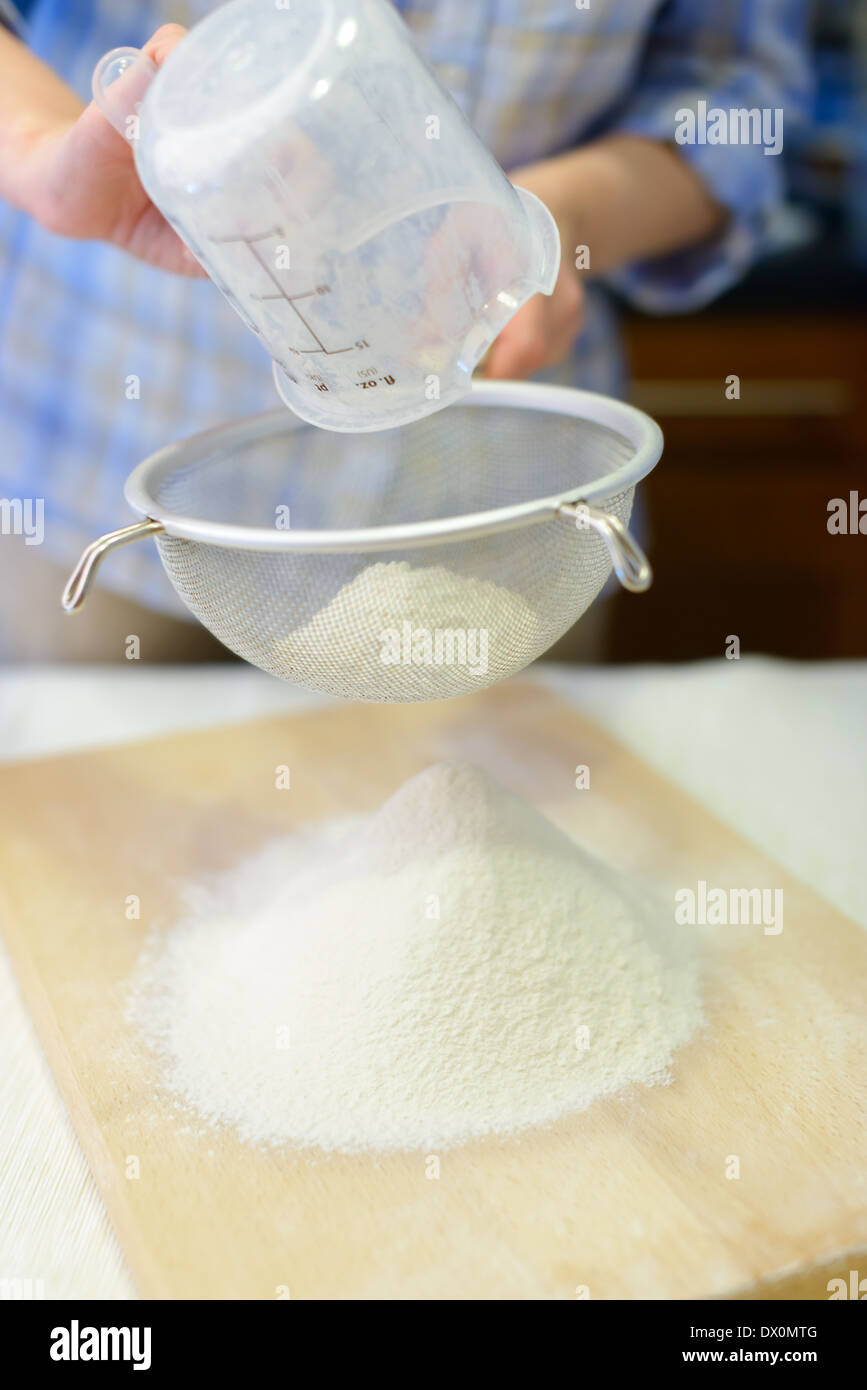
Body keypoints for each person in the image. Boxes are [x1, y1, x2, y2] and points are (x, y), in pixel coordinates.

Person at [0, 0, 810, 661]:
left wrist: (556, 212)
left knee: (479, 838)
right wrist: (39, 157)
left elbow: (740, 104)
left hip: (506, 505)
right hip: (107, 467)